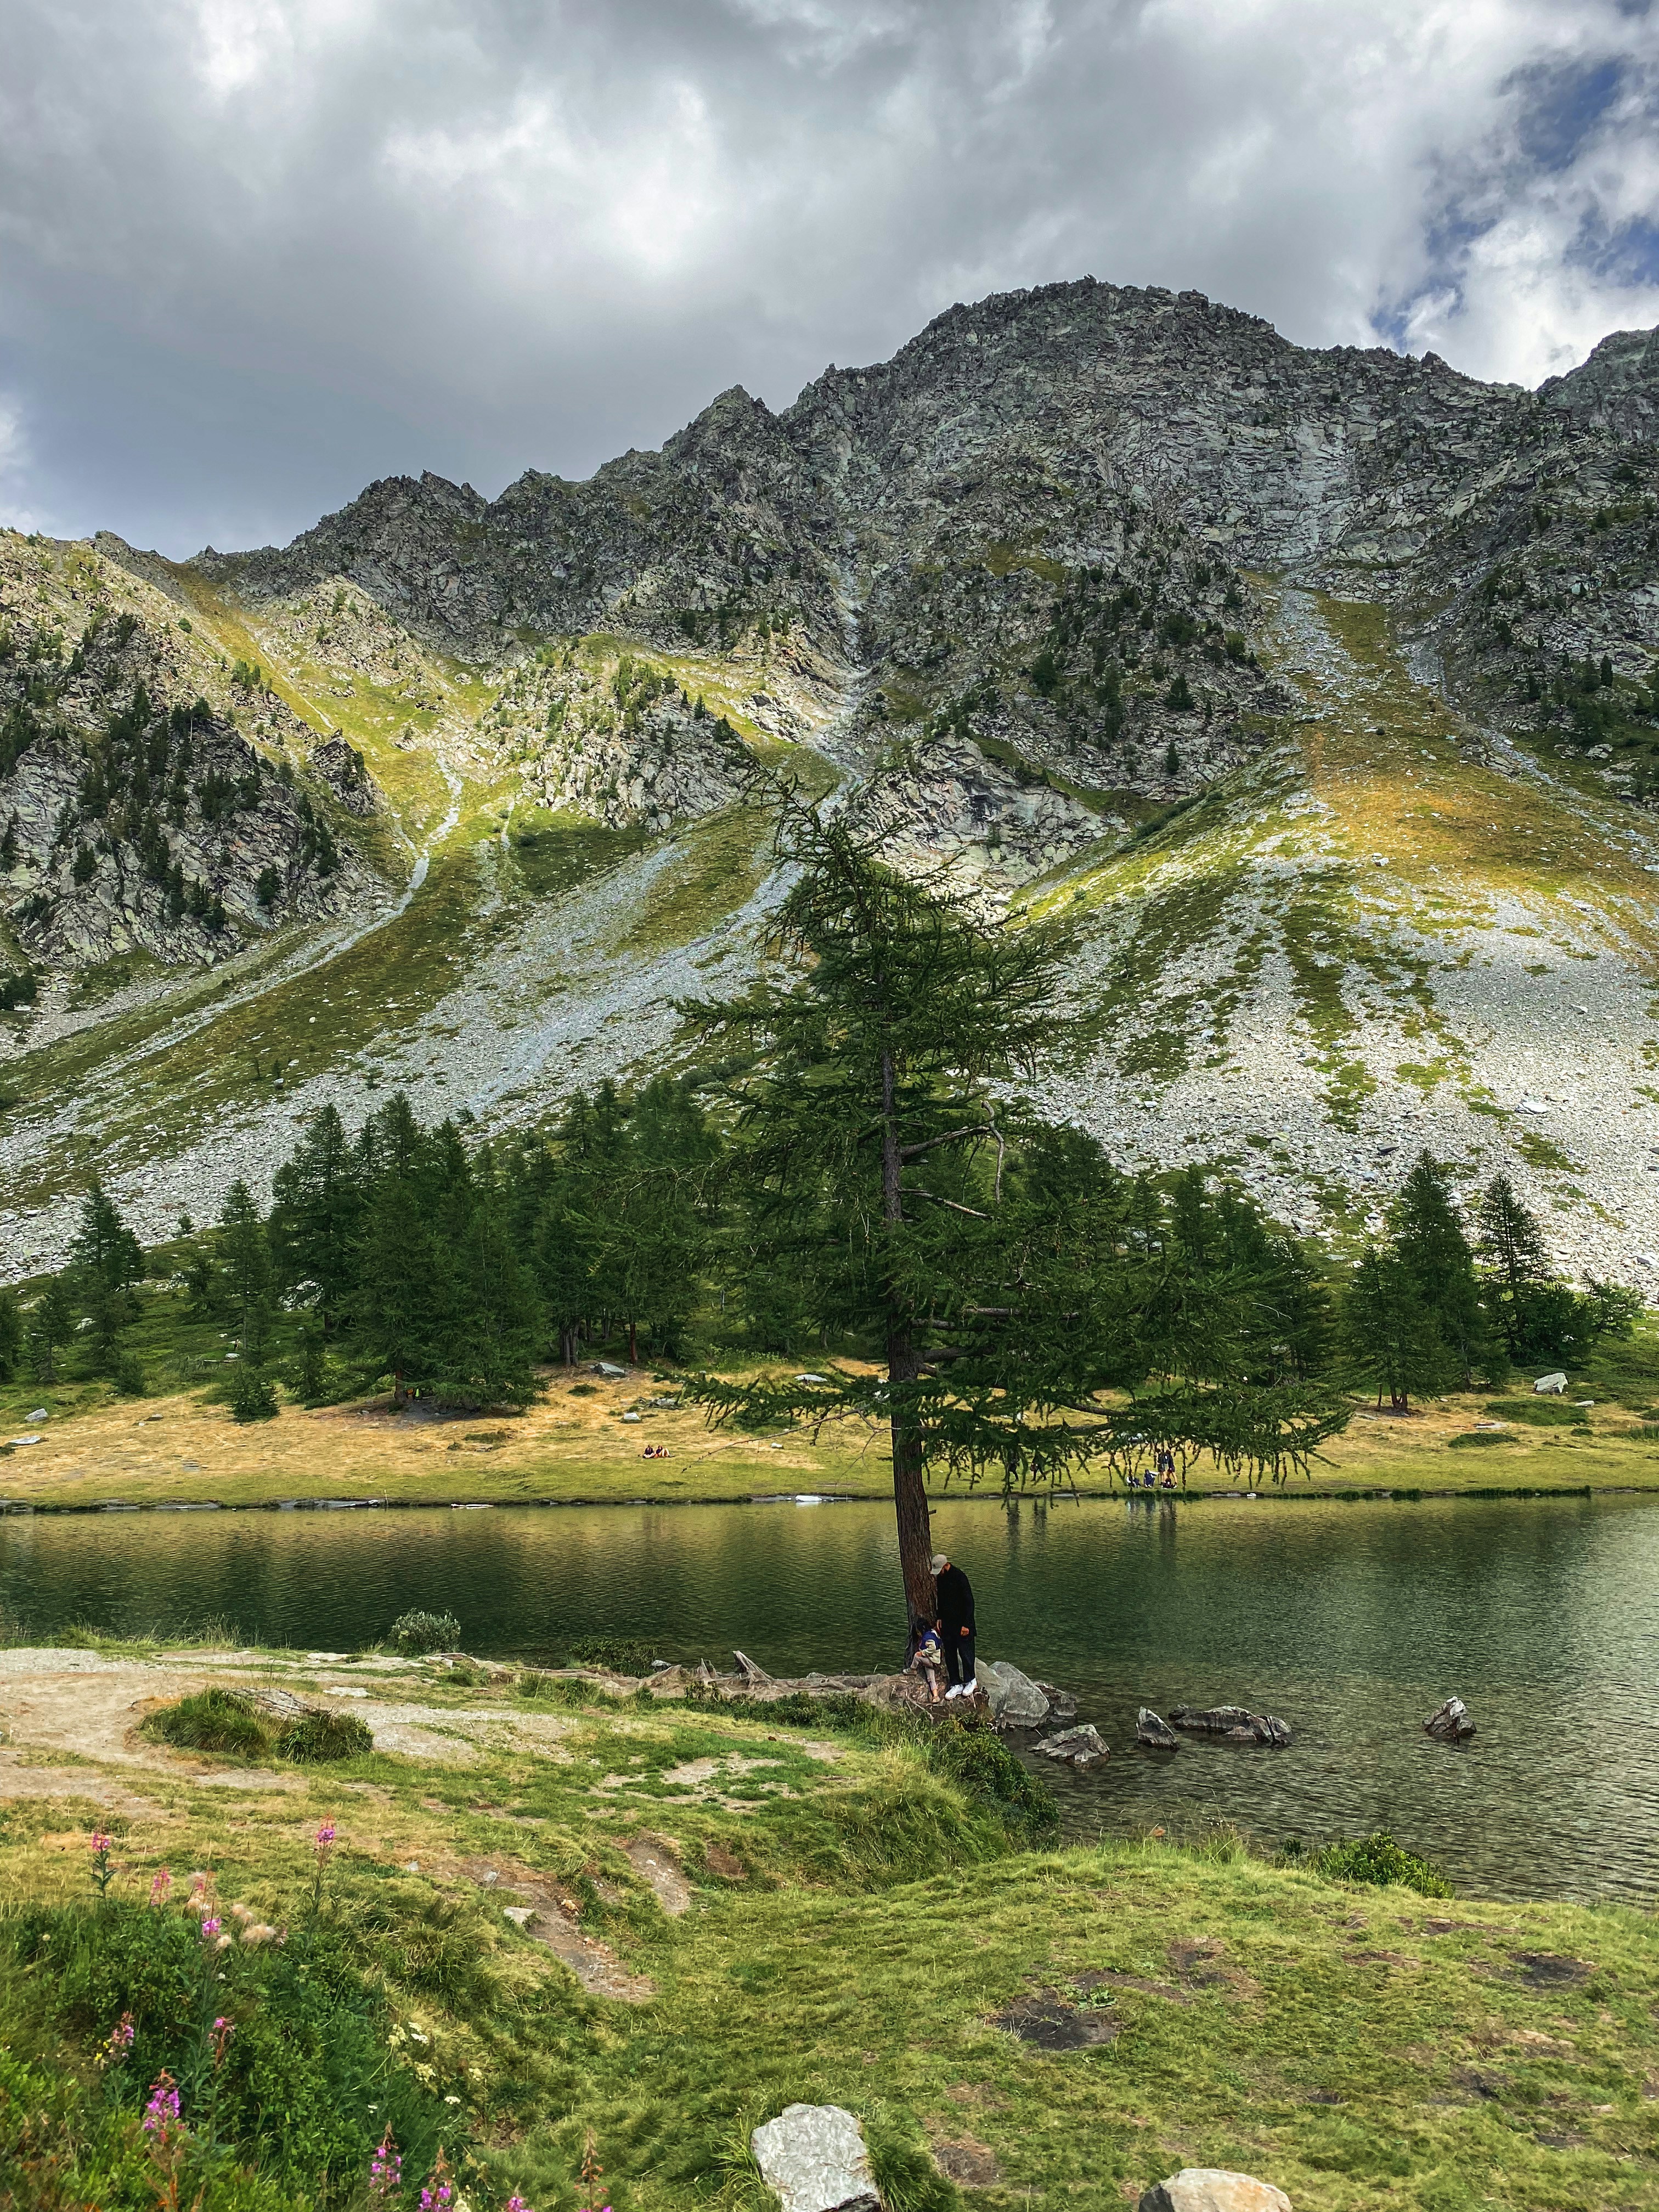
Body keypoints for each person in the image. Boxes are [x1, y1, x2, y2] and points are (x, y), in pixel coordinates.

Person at [932, 1550, 976, 1699]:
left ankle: (971, 1680)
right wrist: (940, 1617)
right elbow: (941, 1600)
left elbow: (969, 1602)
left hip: (962, 1625)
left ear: (946, 1566)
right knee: (950, 1654)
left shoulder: (960, 1577)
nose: (938, 1574)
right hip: (948, 1624)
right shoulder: (941, 1579)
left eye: (940, 1570)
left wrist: (967, 1625)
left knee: (966, 1653)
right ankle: (956, 1683)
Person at [908, 1622, 944, 1703]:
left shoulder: (928, 1638)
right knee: (931, 1679)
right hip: (931, 1662)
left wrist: (923, 1653)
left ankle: (912, 1669)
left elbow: (933, 1647)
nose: (918, 1634)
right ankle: (936, 1696)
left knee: (917, 1657)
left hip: (932, 1661)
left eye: (918, 1632)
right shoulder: (932, 1633)